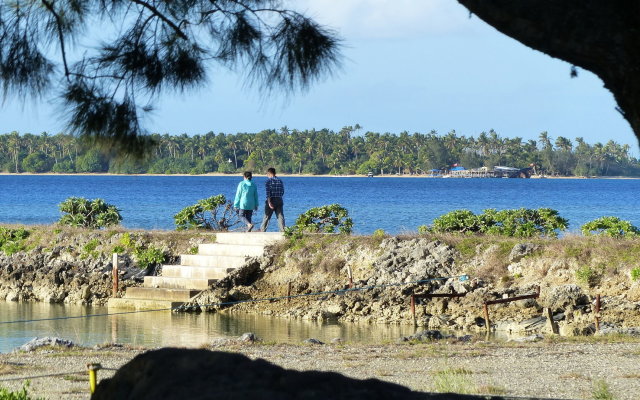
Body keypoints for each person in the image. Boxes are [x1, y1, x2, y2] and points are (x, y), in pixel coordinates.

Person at [260, 167, 285, 232]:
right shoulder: (280, 180)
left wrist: (269, 202)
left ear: (269, 173)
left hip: (271, 200)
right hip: (279, 199)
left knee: (267, 216)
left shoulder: (268, 181)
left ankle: (262, 230)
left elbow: (268, 193)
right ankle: (283, 230)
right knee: (280, 216)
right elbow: (282, 191)